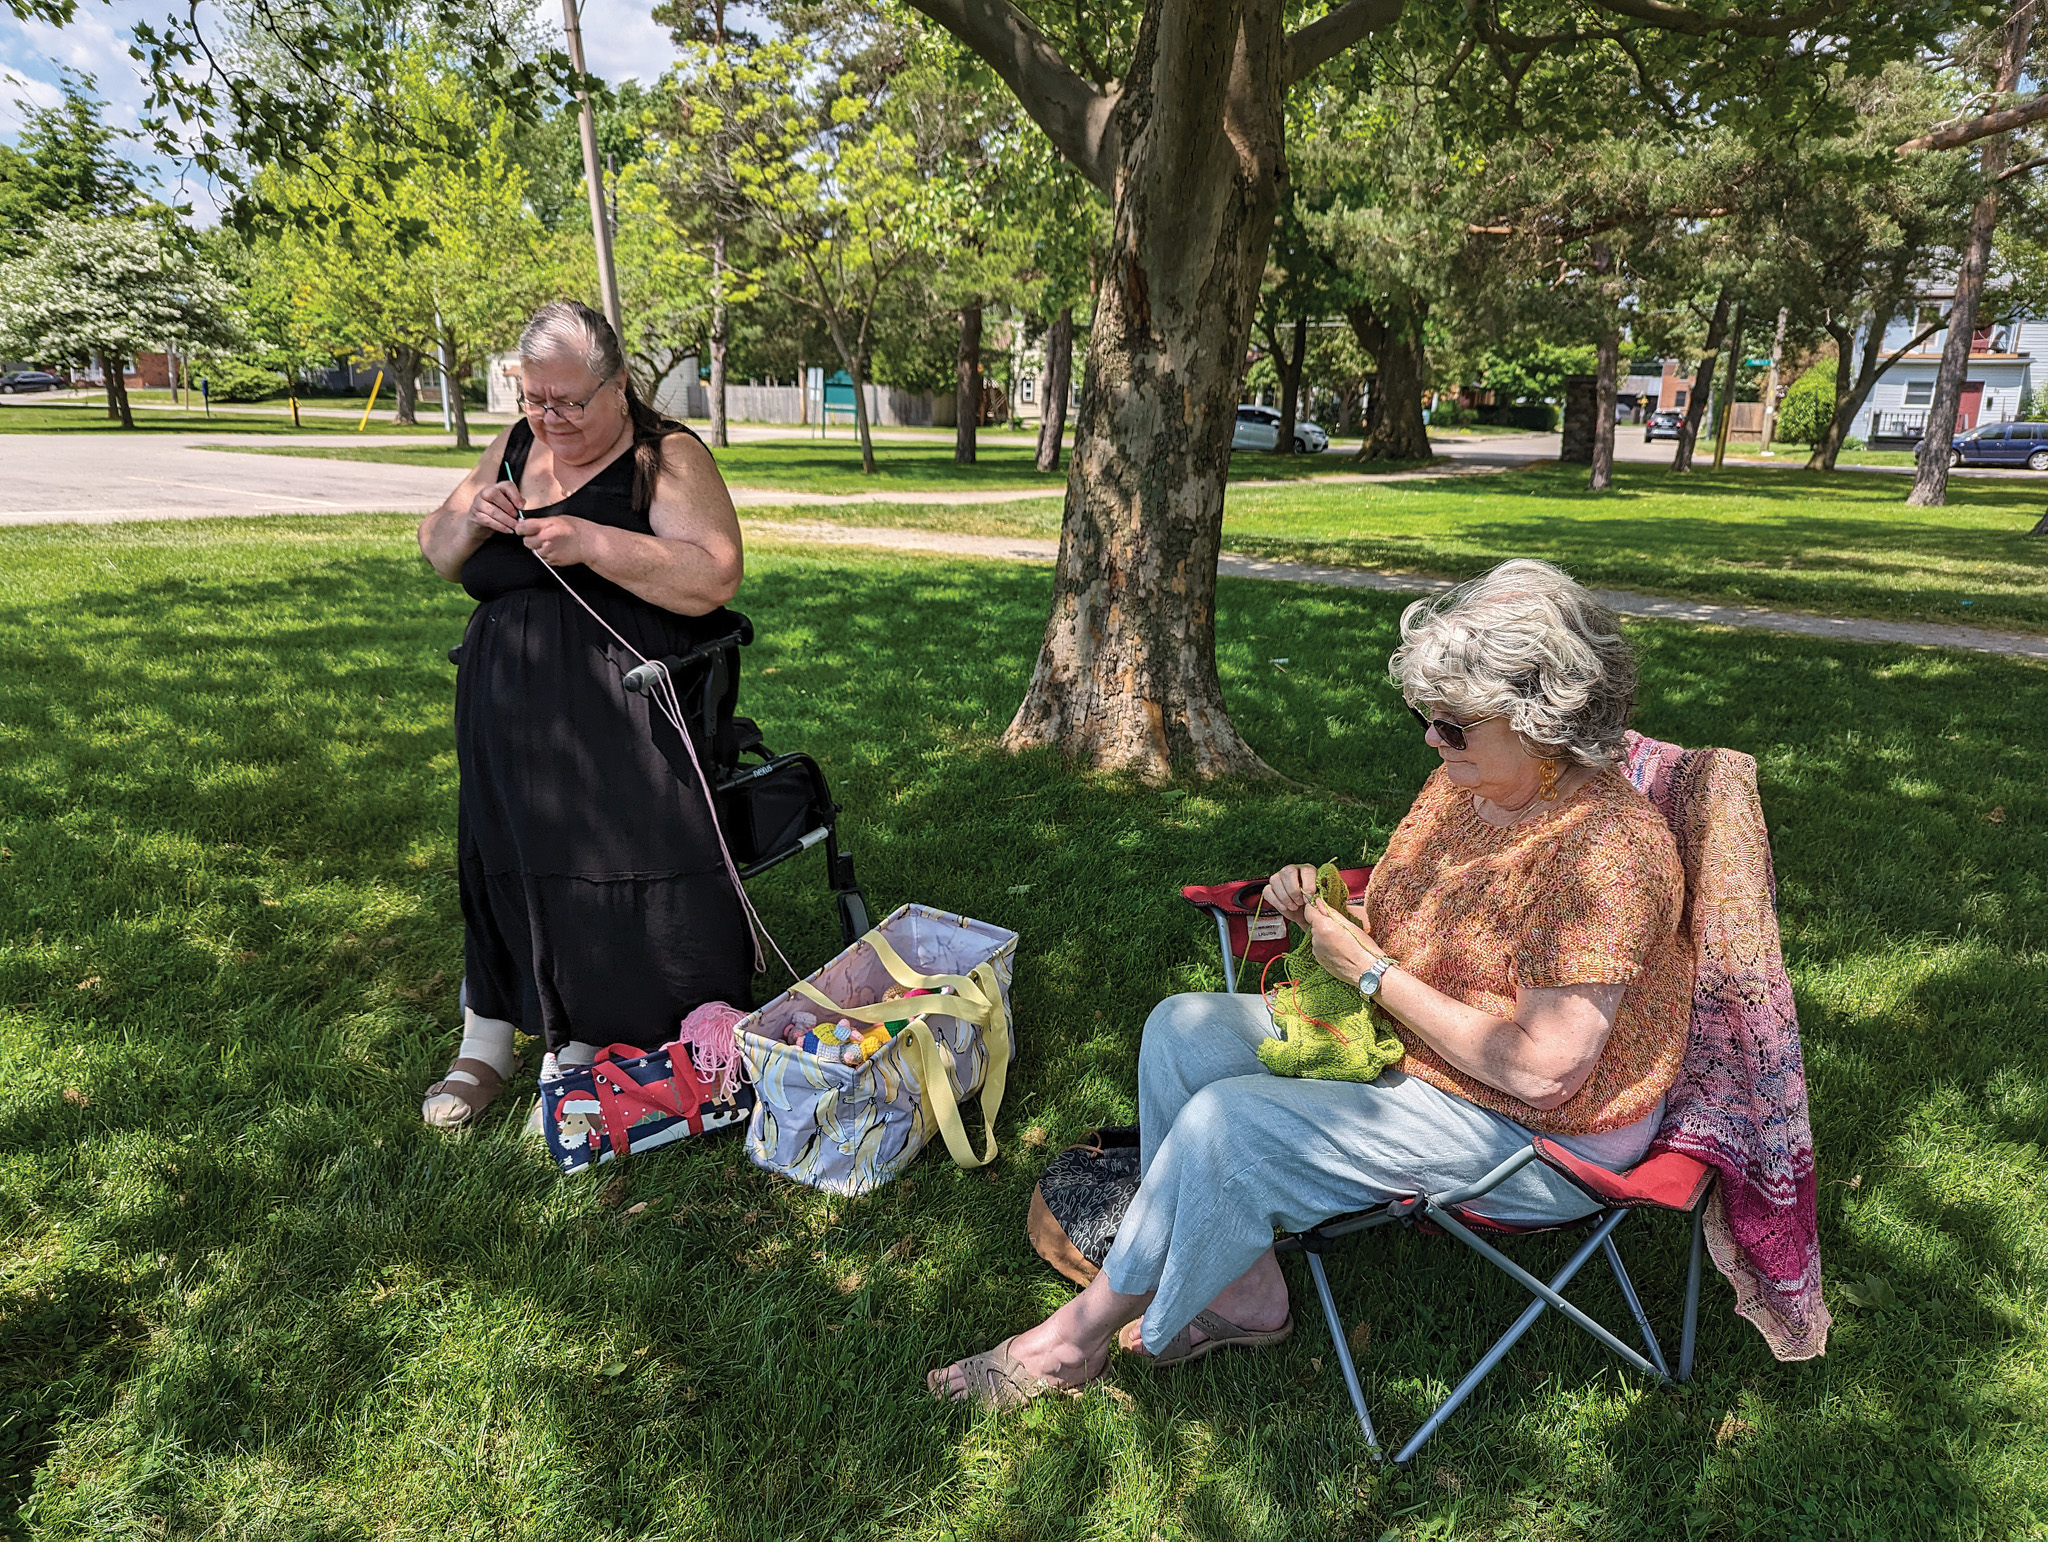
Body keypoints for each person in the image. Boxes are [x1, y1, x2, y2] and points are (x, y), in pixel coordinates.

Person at [930, 558, 1695, 1408]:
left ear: (1541, 719)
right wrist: (1326, 903)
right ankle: (1246, 1297)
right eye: (1425, 718)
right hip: (1433, 1045)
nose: (1431, 741)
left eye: (1452, 724)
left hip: (1544, 1132)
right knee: (1180, 1029)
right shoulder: (1472, 785)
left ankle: (1076, 1339)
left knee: (1232, 1123)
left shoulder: (1605, 852)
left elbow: (1543, 1071)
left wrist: (1368, 969)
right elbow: (1423, 914)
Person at [415, 301, 751, 1127]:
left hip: (620, 712)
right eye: (535, 398)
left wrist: (593, 542)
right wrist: (472, 519)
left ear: (620, 385)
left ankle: (591, 1047)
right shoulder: (517, 444)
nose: (551, 417)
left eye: (571, 401)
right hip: (505, 707)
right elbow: (434, 547)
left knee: (600, 873)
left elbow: (714, 575)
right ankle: (485, 1040)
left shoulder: (663, 457)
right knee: (500, 861)